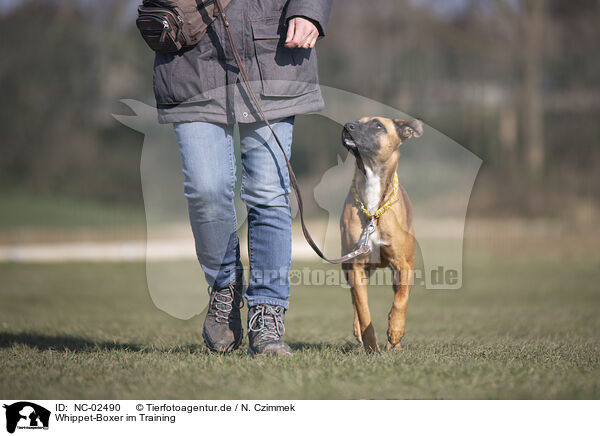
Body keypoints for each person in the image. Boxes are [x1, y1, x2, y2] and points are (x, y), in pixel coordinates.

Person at [152, 0, 332, 356]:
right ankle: (224, 289)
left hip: (272, 47)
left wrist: (310, 10)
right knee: (207, 188)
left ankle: (267, 316)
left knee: (268, 191)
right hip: (190, 52)